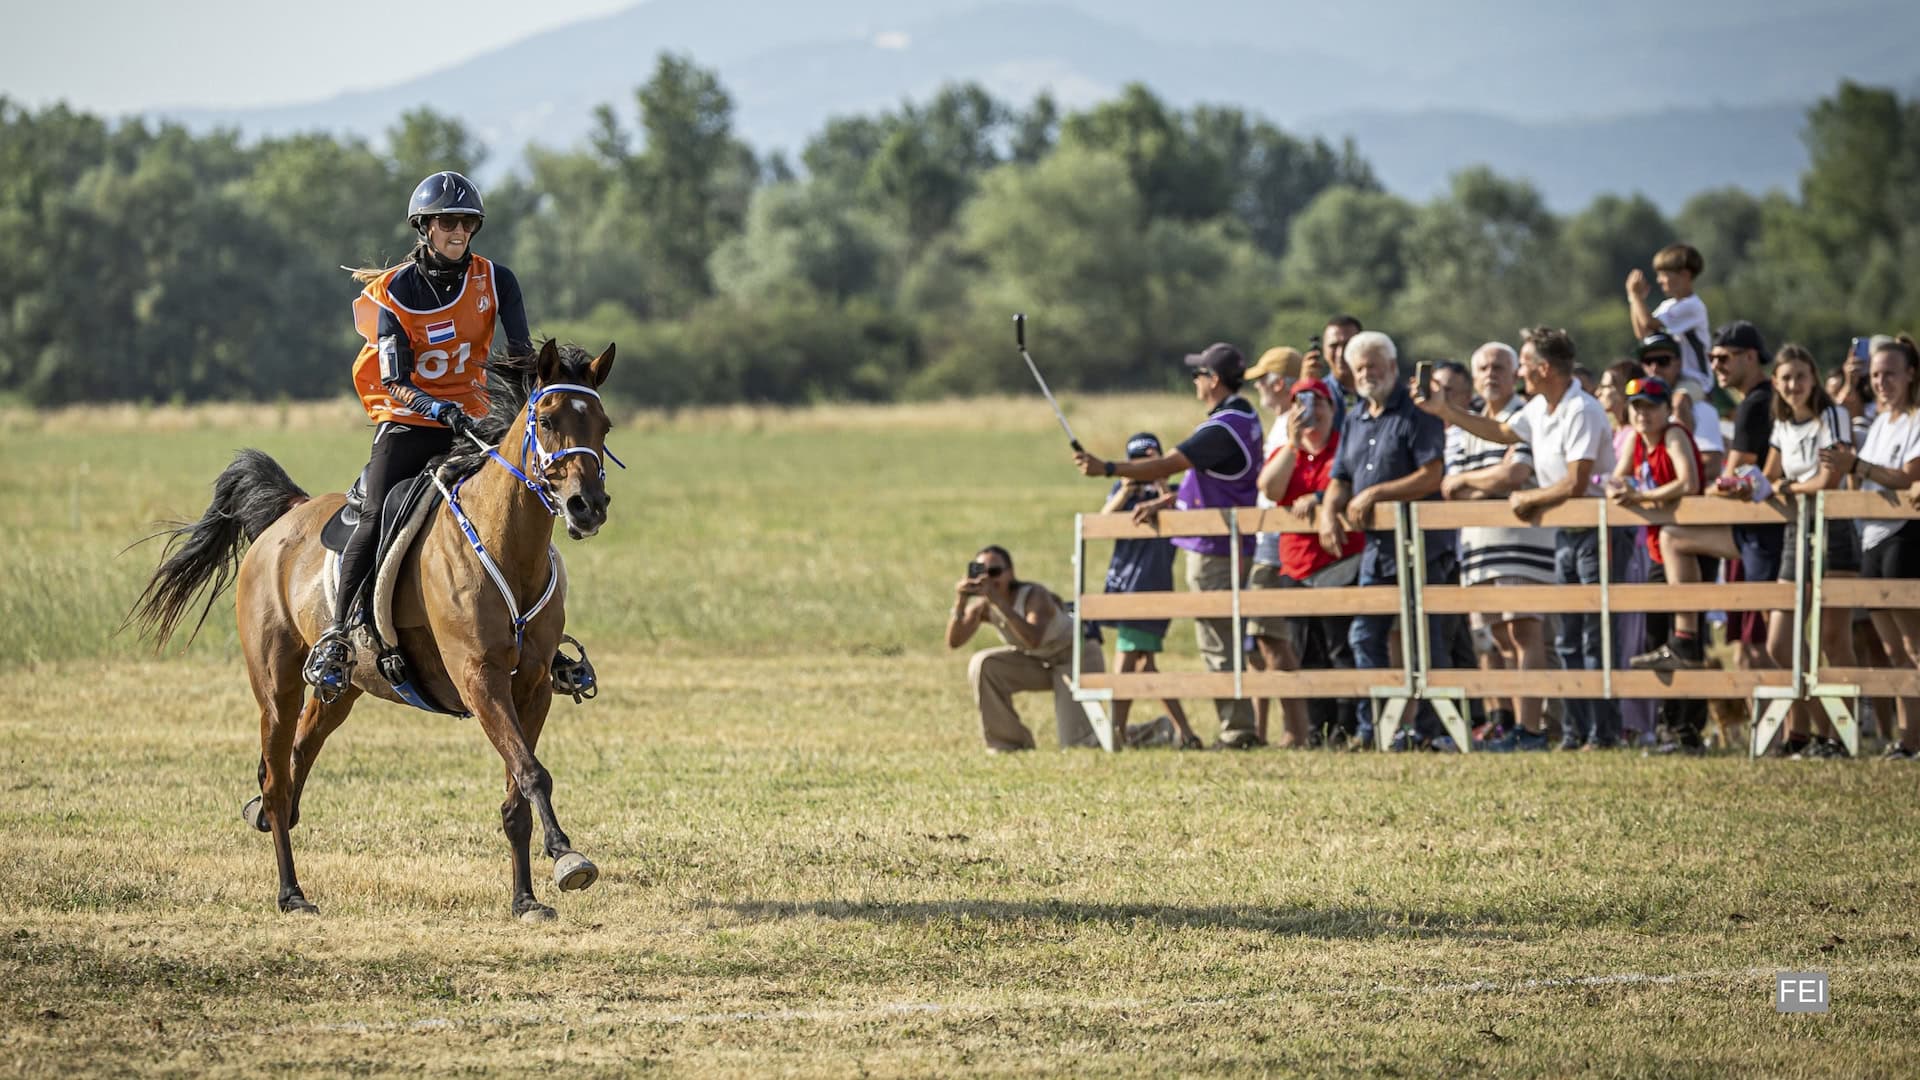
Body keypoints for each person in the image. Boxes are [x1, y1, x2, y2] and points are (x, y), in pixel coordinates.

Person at [303, 171, 534, 697]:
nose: (460, 231)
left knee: (524, 498)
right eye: (449, 222)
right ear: (424, 226)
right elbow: (394, 379)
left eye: (468, 223)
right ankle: (339, 637)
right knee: (378, 509)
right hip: (408, 421)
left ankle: (545, 632)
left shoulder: (498, 280)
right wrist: (438, 410)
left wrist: (532, 401)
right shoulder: (393, 294)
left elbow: (520, 357)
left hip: (475, 420)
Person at [1421, 327, 1621, 749]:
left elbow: (1577, 482)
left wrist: (1529, 496)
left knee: (1592, 635)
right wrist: (1446, 412)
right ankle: (1573, 731)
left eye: (1525, 364)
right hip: (1564, 533)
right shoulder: (1540, 408)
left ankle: (1601, 733)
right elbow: (1501, 434)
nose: (1521, 371)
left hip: (1595, 531)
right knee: (1567, 637)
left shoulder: (1580, 409)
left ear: (1544, 368)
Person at [1074, 343, 1264, 748]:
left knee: (1217, 642)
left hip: (1215, 546)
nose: (1195, 381)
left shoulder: (1222, 426)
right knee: (1226, 638)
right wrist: (1171, 500)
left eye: (1199, 375)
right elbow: (1211, 481)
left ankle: (1238, 732)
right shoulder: (1246, 416)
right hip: (1229, 540)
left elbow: (1167, 465)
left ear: (1214, 380)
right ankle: (1241, 726)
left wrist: (1107, 468)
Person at [1320, 331, 1457, 750]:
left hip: (1423, 548)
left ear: (1393, 368)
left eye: (1374, 366)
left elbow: (1431, 475)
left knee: (1428, 642)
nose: (1366, 374)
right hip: (1377, 552)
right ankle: (1375, 728)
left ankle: (1433, 733)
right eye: (1359, 368)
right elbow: (1340, 478)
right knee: (1364, 635)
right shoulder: (1356, 417)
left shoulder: (1417, 413)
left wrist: (1377, 493)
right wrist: (1329, 512)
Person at [1637, 321, 1780, 672]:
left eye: (1723, 358)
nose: (1715, 366)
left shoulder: (1754, 404)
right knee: (1770, 643)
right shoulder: (1758, 401)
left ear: (1750, 356)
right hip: (1757, 527)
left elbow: (1729, 476)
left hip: (1762, 531)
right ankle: (1685, 641)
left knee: (1776, 645)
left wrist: (1717, 484)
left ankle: (1685, 640)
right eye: (1712, 358)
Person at [1442, 343, 1556, 751]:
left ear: (1515, 374)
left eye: (1500, 367)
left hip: (1521, 541)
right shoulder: (1460, 428)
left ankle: (1531, 728)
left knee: (1525, 632)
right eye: (1484, 367)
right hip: (1476, 546)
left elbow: (1518, 472)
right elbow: (1450, 486)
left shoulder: (1523, 417)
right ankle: (1507, 724)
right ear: (1474, 377)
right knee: (1494, 639)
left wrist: (1475, 481)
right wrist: (1487, 481)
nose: (1491, 374)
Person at [1821, 335, 1920, 760]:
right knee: (1891, 649)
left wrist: (1857, 466)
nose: (1881, 382)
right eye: (1875, 375)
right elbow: (1865, 479)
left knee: (1914, 647)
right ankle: (1907, 738)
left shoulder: (1916, 419)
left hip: (1902, 536)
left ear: (1911, 374)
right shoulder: (1880, 422)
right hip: (1872, 537)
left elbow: (1907, 476)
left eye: (1890, 374)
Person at [1762, 345, 1856, 758]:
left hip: (1832, 528)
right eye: (1785, 378)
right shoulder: (1781, 422)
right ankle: (1823, 728)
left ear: (1813, 378)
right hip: (1796, 529)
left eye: (1800, 376)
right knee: (1780, 642)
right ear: (1775, 383)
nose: (1793, 385)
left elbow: (1829, 479)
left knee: (1834, 638)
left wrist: (1788, 488)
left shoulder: (1832, 415)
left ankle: (1842, 738)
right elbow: (1769, 476)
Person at [1098, 435, 1202, 750]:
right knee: (1141, 663)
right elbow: (1103, 521)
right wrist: (1128, 488)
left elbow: (1182, 521)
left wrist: (1160, 490)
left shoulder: (1172, 494)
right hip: (1126, 585)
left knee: (1132, 662)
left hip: (1152, 584)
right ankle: (1181, 733)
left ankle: (1116, 733)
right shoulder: (1124, 491)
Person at [949, 545, 1105, 752]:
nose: (988, 579)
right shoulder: (984, 606)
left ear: (1010, 573)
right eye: (980, 572)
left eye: (995, 572)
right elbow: (955, 641)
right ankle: (1008, 744)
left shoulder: (1034, 596)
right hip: (1040, 662)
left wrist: (997, 601)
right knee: (984, 664)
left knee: (1079, 744)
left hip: (1076, 658)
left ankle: (1157, 730)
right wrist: (960, 602)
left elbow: (1033, 639)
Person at [1245, 347, 1307, 746]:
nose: (1259, 389)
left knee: (1272, 639)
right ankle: (1281, 728)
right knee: (1265, 640)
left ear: (1278, 382)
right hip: (1268, 540)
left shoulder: (1291, 422)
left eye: (1262, 380)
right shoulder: (1282, 421)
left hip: (1276, 544)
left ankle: (1295, 731)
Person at [1637, 332, 1725, 484]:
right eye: (1648, 361)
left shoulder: (1701, 409)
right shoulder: (1638, 413)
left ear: (1678, 363)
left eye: (1663, 361)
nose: (1655, 368)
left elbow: (1711, 467)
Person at [1627, 243, 1712, 392]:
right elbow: (1643, 333)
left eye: (1664, 275)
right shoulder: (1668, 305)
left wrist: (1636, 297)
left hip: (1696, 380)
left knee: (1679, 401)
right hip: (1675, 379)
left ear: (1685, 275)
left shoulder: (1693, 306)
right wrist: (1634, 299)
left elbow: (1650, 323)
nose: (1659, 280)